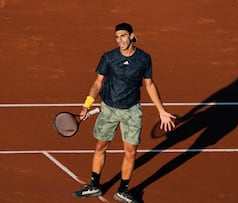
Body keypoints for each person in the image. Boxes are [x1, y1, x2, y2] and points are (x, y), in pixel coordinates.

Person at [72, 22, 175, 203]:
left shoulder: (144, 58)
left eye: (123, 36)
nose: (120, 40)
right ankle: (94, 185)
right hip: (109, 110)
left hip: (131, 112)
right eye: (117, 37)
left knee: (130, 152)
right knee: (100, 147)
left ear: (132, 36)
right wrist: (86, 106)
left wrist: (161, 111)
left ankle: (123, 190)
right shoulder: (109, 57)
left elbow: (149, 85)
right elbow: (97, 83)